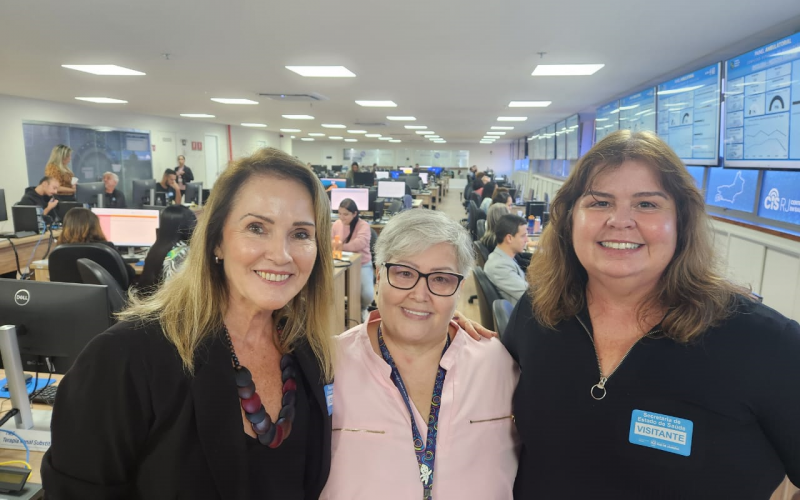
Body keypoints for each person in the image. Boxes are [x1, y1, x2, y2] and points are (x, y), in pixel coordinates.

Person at [502, 130, 800, 498]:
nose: (620, 220)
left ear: (682, 222)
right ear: (569, 218)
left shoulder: (764, 342)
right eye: (599, 202)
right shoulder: (538, 312)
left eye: (647, 204)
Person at [42, 148, 338, 498]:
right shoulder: (124, 358)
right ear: (216, 240)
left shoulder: (309, 351)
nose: (281, 254)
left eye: (301, 234)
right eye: (256, 228)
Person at [321, 209, 519, 500]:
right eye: (404, 273)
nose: (420, 294)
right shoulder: (328, 365)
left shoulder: (501, 365)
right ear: (378, 278)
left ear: (460, 289)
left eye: (440, 279)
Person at [57, 207, 136, 284]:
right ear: (95, 227)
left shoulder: (59, 251)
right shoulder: (105, 249)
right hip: (107, 297)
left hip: (69, 297)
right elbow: (129, 275)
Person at [138, 205, 197, 293]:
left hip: (149, 302)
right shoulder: (183, 254)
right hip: (169, 304)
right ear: (189, 228)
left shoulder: (154, 249)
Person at [331, 198, 374, 320]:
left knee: (367, 294)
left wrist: (340, 247)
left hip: (362, 264)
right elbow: (329, 241)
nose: (342, 217)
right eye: (339, 213)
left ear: (354, 214)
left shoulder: (363, 226)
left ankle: (362, 308)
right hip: (340, 262)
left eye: (346, 214)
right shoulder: (336, 224)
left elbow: (359, 244)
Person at [484, 214, 529, 305]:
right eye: (523, 236)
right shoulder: (499, 266)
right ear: (509, 238)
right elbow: (530, 296)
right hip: (525, 315)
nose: (527, 240)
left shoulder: (504, 258)